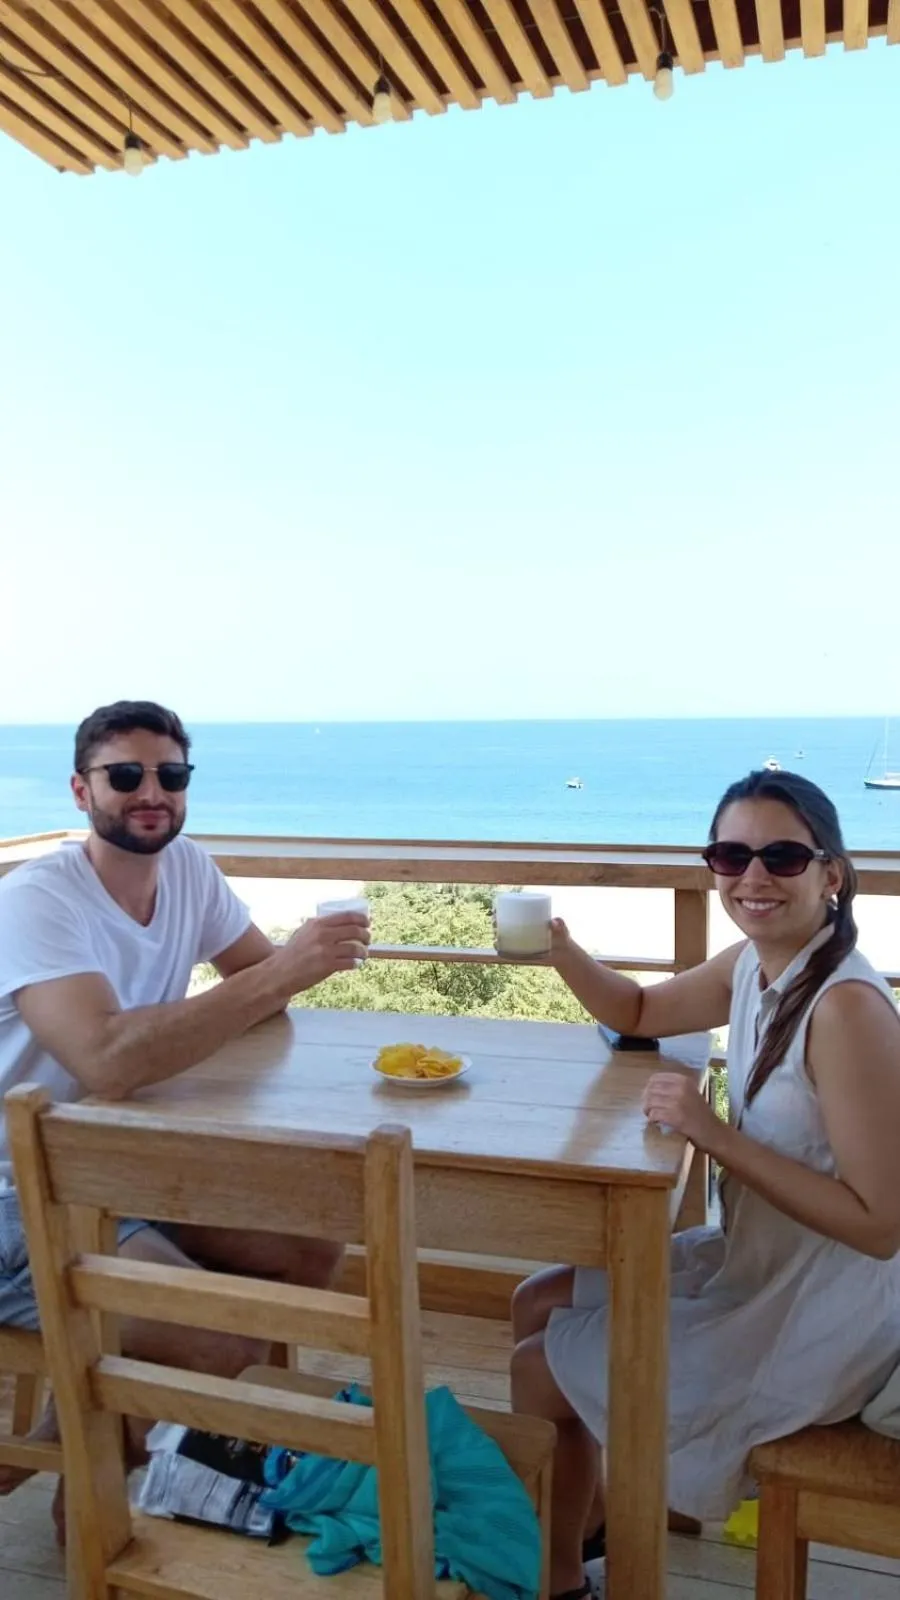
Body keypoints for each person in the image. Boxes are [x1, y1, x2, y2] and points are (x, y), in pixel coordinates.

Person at [511, 770, 900, 1600]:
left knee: (539, 1366)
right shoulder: (756, 965)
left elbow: (880, 1226)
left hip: (823, 1310)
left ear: (832, 875)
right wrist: (563, 950)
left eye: (782, 856)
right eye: (730, 855)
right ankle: (590, 1520)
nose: (752, 876)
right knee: (535, 1300)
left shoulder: (847, 1010)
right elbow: (639, 1011)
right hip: (755, 1260)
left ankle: (557, 1578)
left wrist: (714, 1133)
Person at [0, 699, 371, 1504]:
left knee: (308, 1247)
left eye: (170, 775)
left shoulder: (189, 870)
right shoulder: (38, 899)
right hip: (17, 1188)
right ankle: (86, 1498)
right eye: (125, 776)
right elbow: (104, 1059)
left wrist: (277, 976)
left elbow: (259, 988)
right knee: (215, 1339)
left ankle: (80, 1429)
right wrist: (282, 972)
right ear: (80, 791)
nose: (151, 793)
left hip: (113, 1163)